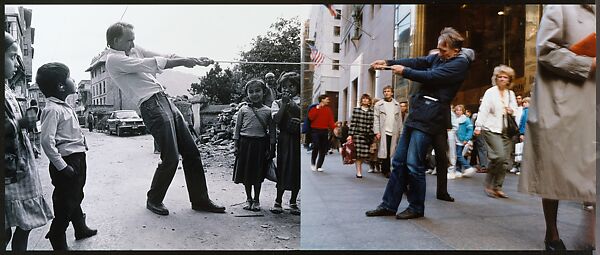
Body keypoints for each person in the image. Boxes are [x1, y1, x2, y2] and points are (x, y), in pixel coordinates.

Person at [104, 22, 224, 215]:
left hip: (164, 100)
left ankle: (200, 200)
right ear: (116, 40)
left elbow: (162, 56)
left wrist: (192, 59)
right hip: (151, 105)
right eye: (129, 40)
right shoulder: (113, 60)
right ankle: (154, 199)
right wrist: (184, 62)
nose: (133, 43)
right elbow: (150, 64)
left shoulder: (133, 49)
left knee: (192, 152)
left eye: (133, 39)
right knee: (170, 158)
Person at [366, 27, 474, 219]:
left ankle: (416, 207)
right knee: (398, 162)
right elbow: (419, 61)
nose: (439, 53)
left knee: (414, 164)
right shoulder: (440, 57)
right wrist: (389, 63)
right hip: (417, 113)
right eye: (439, 48)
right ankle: (389, 205)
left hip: (430, 117)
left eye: (444, 50)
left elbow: (431, 76)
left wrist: (405, 72)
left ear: (455, 50)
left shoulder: (459, 64)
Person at [518, 4, 596, 251]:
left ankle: (590, 231)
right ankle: (552, 233)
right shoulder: (561, 6)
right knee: (554, 171)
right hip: (566, 104)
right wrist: (590, 63)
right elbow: (545, 51)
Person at [37, 63, 97, 250]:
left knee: (75, 196)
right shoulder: (52, 109)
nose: (73, 80)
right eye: (70, 77)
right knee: (65, 201)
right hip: (67, 161)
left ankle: (79, 227)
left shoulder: (64, 106)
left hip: (77, 158)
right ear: (61, 86)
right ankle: (57, 234)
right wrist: (62, 166)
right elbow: (47, 142)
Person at [4, 31, 54, 252]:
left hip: (19, 167)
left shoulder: (7, 89)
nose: (17, 62)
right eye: (12, 56)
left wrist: (27, 138)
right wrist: (20, 124)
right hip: (8, 173)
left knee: (25, 224)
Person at [474, 65, 518, 199]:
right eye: (500, 77)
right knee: (498, 156)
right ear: (496, 78)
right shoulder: (490, 92)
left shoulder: (511, 94)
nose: (502, 79)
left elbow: (516, 110)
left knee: (504, 161)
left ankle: (497, 187)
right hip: (491, 128)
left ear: (509, 80)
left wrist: (512, 110)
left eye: (505, 77)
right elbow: (484, 109)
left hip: (507, 130)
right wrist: (478, 126)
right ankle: (489, 183)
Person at [233, 80, 276, 212]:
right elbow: (238, 128)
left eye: (257, 91)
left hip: (260, 145)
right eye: (251, 92)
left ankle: (257, 199)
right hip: (245, 144)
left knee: (257, 174)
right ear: (247, 94)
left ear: (264, 93)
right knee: (246, 173)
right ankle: (248, 198)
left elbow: (272, 132)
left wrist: (272, 149)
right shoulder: (243, 110)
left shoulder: (268, 111)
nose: (254, 94)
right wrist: (236, 145)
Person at [270, 72, 301, 215]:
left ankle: (293, 201)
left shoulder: (302, 101)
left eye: (291, 86)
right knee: (283, 167)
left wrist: (292, 105)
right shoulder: (276, 103)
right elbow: (276, 120)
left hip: (298, 139)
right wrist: (284, 104)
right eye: (284, 86)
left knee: (297, 169)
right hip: (284, 139)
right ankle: (278, 200)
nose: (287, 89)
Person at [373, 85, 402, 178]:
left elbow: (399, 119)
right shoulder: (379, 104)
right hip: (383, 130)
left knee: (390, 151)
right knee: (385, 150)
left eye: (388, 91)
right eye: (385, 91)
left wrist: (400, 131)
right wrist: (377, 131)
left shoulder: (397, 104)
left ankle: (384, 168)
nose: (386, 93)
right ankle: (386, 170)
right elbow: (376, 119)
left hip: (393, 131)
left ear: (392, 93)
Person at [348, 94, 375, 178]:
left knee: (364, 155)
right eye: (363, 99)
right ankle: (358, 171)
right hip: (358, 135)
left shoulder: (372, 112)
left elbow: (373, 124)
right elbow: (353, 123)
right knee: (359, 155)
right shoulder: (356, 110)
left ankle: (359, 168)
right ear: (361, 101)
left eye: (367, 99)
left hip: (368, 136)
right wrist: (350, 135)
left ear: (369, 101)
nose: (365, 100)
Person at [308, 94, 337, 172]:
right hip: (315, 130)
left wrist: (334, 128)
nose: (328, 101)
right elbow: (311, 117)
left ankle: (319, 166)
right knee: (316, 146)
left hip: (324, 131)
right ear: (322, 100)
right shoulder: (314, 108)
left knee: (323, 149)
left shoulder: (328, 109)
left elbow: (330, 121)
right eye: (327, 99)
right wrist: (317, 109)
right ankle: (313, 163)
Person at [453, 104, 477, 177]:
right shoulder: (454, 118)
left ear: (463, 111)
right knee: (456, 155)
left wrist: (466, 139)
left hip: (461, 140)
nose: (458, 112)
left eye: (460, 110)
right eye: (457, 110)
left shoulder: (466, 119)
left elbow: (470, 130)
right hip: (454, 139)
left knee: (459, 155)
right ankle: (458, 170)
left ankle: (468, 167)